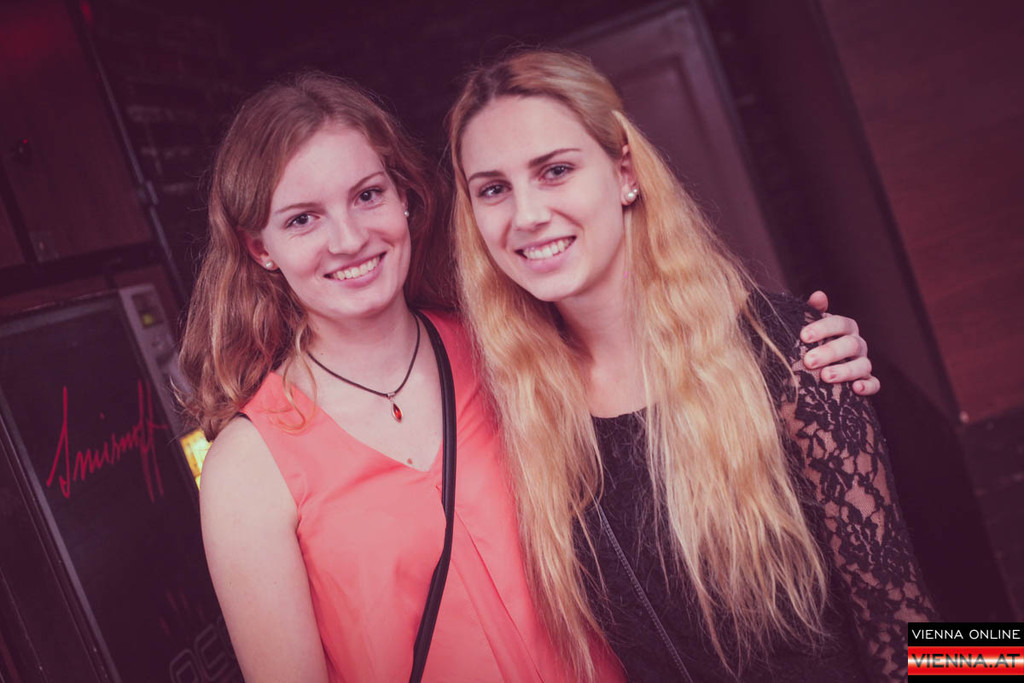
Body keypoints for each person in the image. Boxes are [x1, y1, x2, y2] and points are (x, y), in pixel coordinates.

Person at [178, 72, 877, 681]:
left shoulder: (524, 355)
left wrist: (788, 353)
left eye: (367, 195)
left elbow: (910, 623)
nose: (349, 238)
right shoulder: (251, 466)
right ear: (260, 248)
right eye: (303, 219)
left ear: (405, 199)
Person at [447, 50, 935, 682]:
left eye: (556, 170)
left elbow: (909, 624)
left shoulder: (789, 351)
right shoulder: (522, 410)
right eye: (493, 189)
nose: (527, 215)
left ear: (625, 172)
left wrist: (1005, 661)